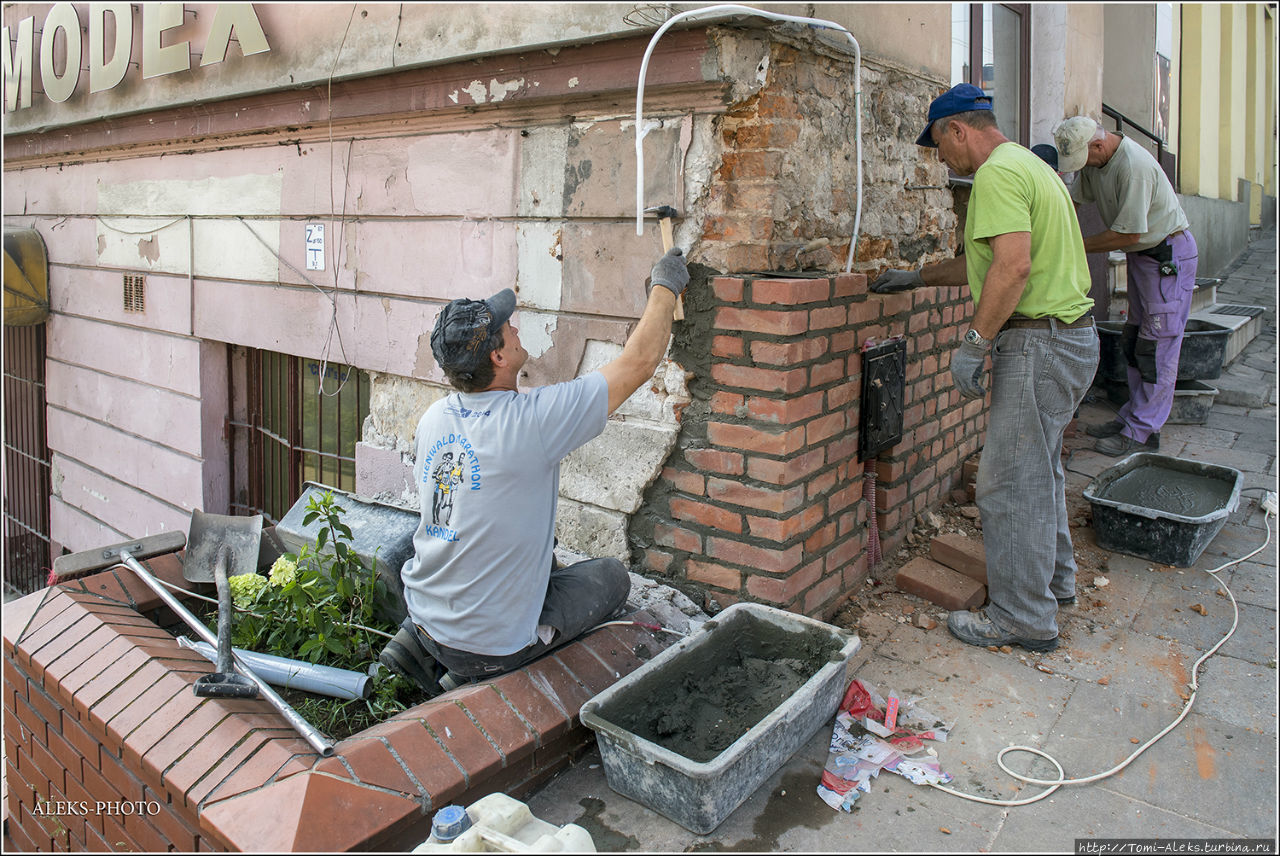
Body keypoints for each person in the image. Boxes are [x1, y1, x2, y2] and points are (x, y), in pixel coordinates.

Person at [379, 248, 690, 693]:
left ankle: (413, 649)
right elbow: (637, 364)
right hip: (490, 644)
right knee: (609, 578)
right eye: (507, 329)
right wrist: (666, 285)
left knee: (528, 553)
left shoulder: (435, 418)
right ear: (498, 359)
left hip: (425, 613)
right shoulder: (533, 422)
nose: (515, 327)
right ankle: (470, 676)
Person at [870, 83, 1098, 652]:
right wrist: (916, 278)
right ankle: (1057, 585)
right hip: (1071, 340)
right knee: (1040, 472)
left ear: (958, 130)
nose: (941, 159)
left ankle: (1022, 620)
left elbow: (1013, 269)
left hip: (1038, 344)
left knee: (1006, 484)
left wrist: (975, 341)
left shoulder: (996, 174)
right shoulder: (1030, 166)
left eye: (939, 146)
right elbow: (988, 262)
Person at [1053, 115, 1198, 456]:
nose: (1081, 167)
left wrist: (1074, 244)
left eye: (1084, 159)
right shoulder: (1096, 162)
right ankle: (1134, 416)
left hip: (1166, 258)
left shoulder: (1132, 166)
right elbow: (1072, 203)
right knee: (1135, 340)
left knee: (1157, 346)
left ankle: (1143, 432)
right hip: (1142, 257)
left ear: (1098, 145)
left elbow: (1129, 233)